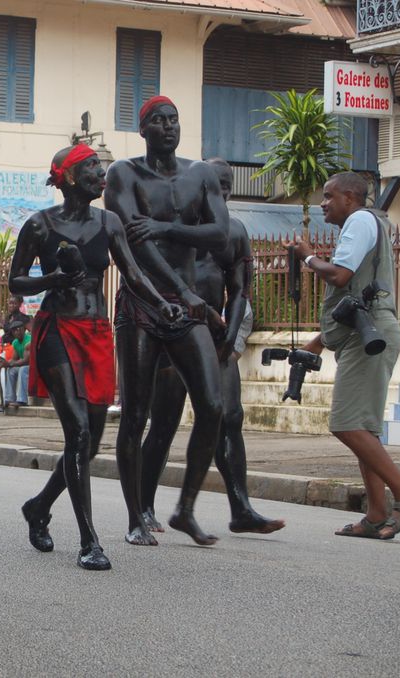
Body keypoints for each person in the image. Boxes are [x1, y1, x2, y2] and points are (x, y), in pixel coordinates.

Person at [13, 143, 176, 570]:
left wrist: (162, 304)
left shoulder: (110, 223)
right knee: (79, 435)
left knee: (89, 443)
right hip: (57, 330)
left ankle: (38, 506)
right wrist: (52, 277)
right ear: (67, 177)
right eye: (90, 168)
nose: (100, 174)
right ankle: (89, 542)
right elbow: (16, 282)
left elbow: (134, 274)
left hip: (97, 332)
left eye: (100, 168)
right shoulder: (40, 225)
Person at [104, 95, 229, 546]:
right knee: (136, 415)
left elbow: (219, 233)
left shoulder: (201, 175)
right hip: (142, 304)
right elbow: (132, 245)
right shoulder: (123, 173)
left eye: (174, 119)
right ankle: (137, 515)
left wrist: (167, 228)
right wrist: (179, 292)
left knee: (212, 406)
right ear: (143, 130)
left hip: (187, 308)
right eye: (158, 121)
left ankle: (186, 509)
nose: (168, 127)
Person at [138, 158, 284, 535]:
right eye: (211, 189)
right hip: (174, 334)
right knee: (164, 423)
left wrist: (230, 336)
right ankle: (143, 506)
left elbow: (239, 291)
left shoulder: (233, 233)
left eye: (224, 189)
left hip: (215, 337)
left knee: (229, 419)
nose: (217, 196)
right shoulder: (172, 227)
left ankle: (241, 507)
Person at [286, 171, 400, 540]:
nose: (323, 203)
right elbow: (354, 298)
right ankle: (377, 514)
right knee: (362, 426)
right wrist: (320, 340)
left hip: (369, 337)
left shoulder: (360, 221)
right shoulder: (365, 224)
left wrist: (307, 257)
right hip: (362, 333)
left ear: (350, 198)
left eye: (328, 196)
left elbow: (339, 276)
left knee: (347, 423)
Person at [1, 320, 31, 411]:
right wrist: (5, 363)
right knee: (11, 370)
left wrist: (10, 363)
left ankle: (22, 400)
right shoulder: (15, 342)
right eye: (13, 330)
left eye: (17, 329)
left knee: (22, 369)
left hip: (34, 367)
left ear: (23, 329)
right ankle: (9, 399)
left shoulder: (29, 340)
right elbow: (14, 359)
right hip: (24, 365)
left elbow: (26, 360)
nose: (15, 332)